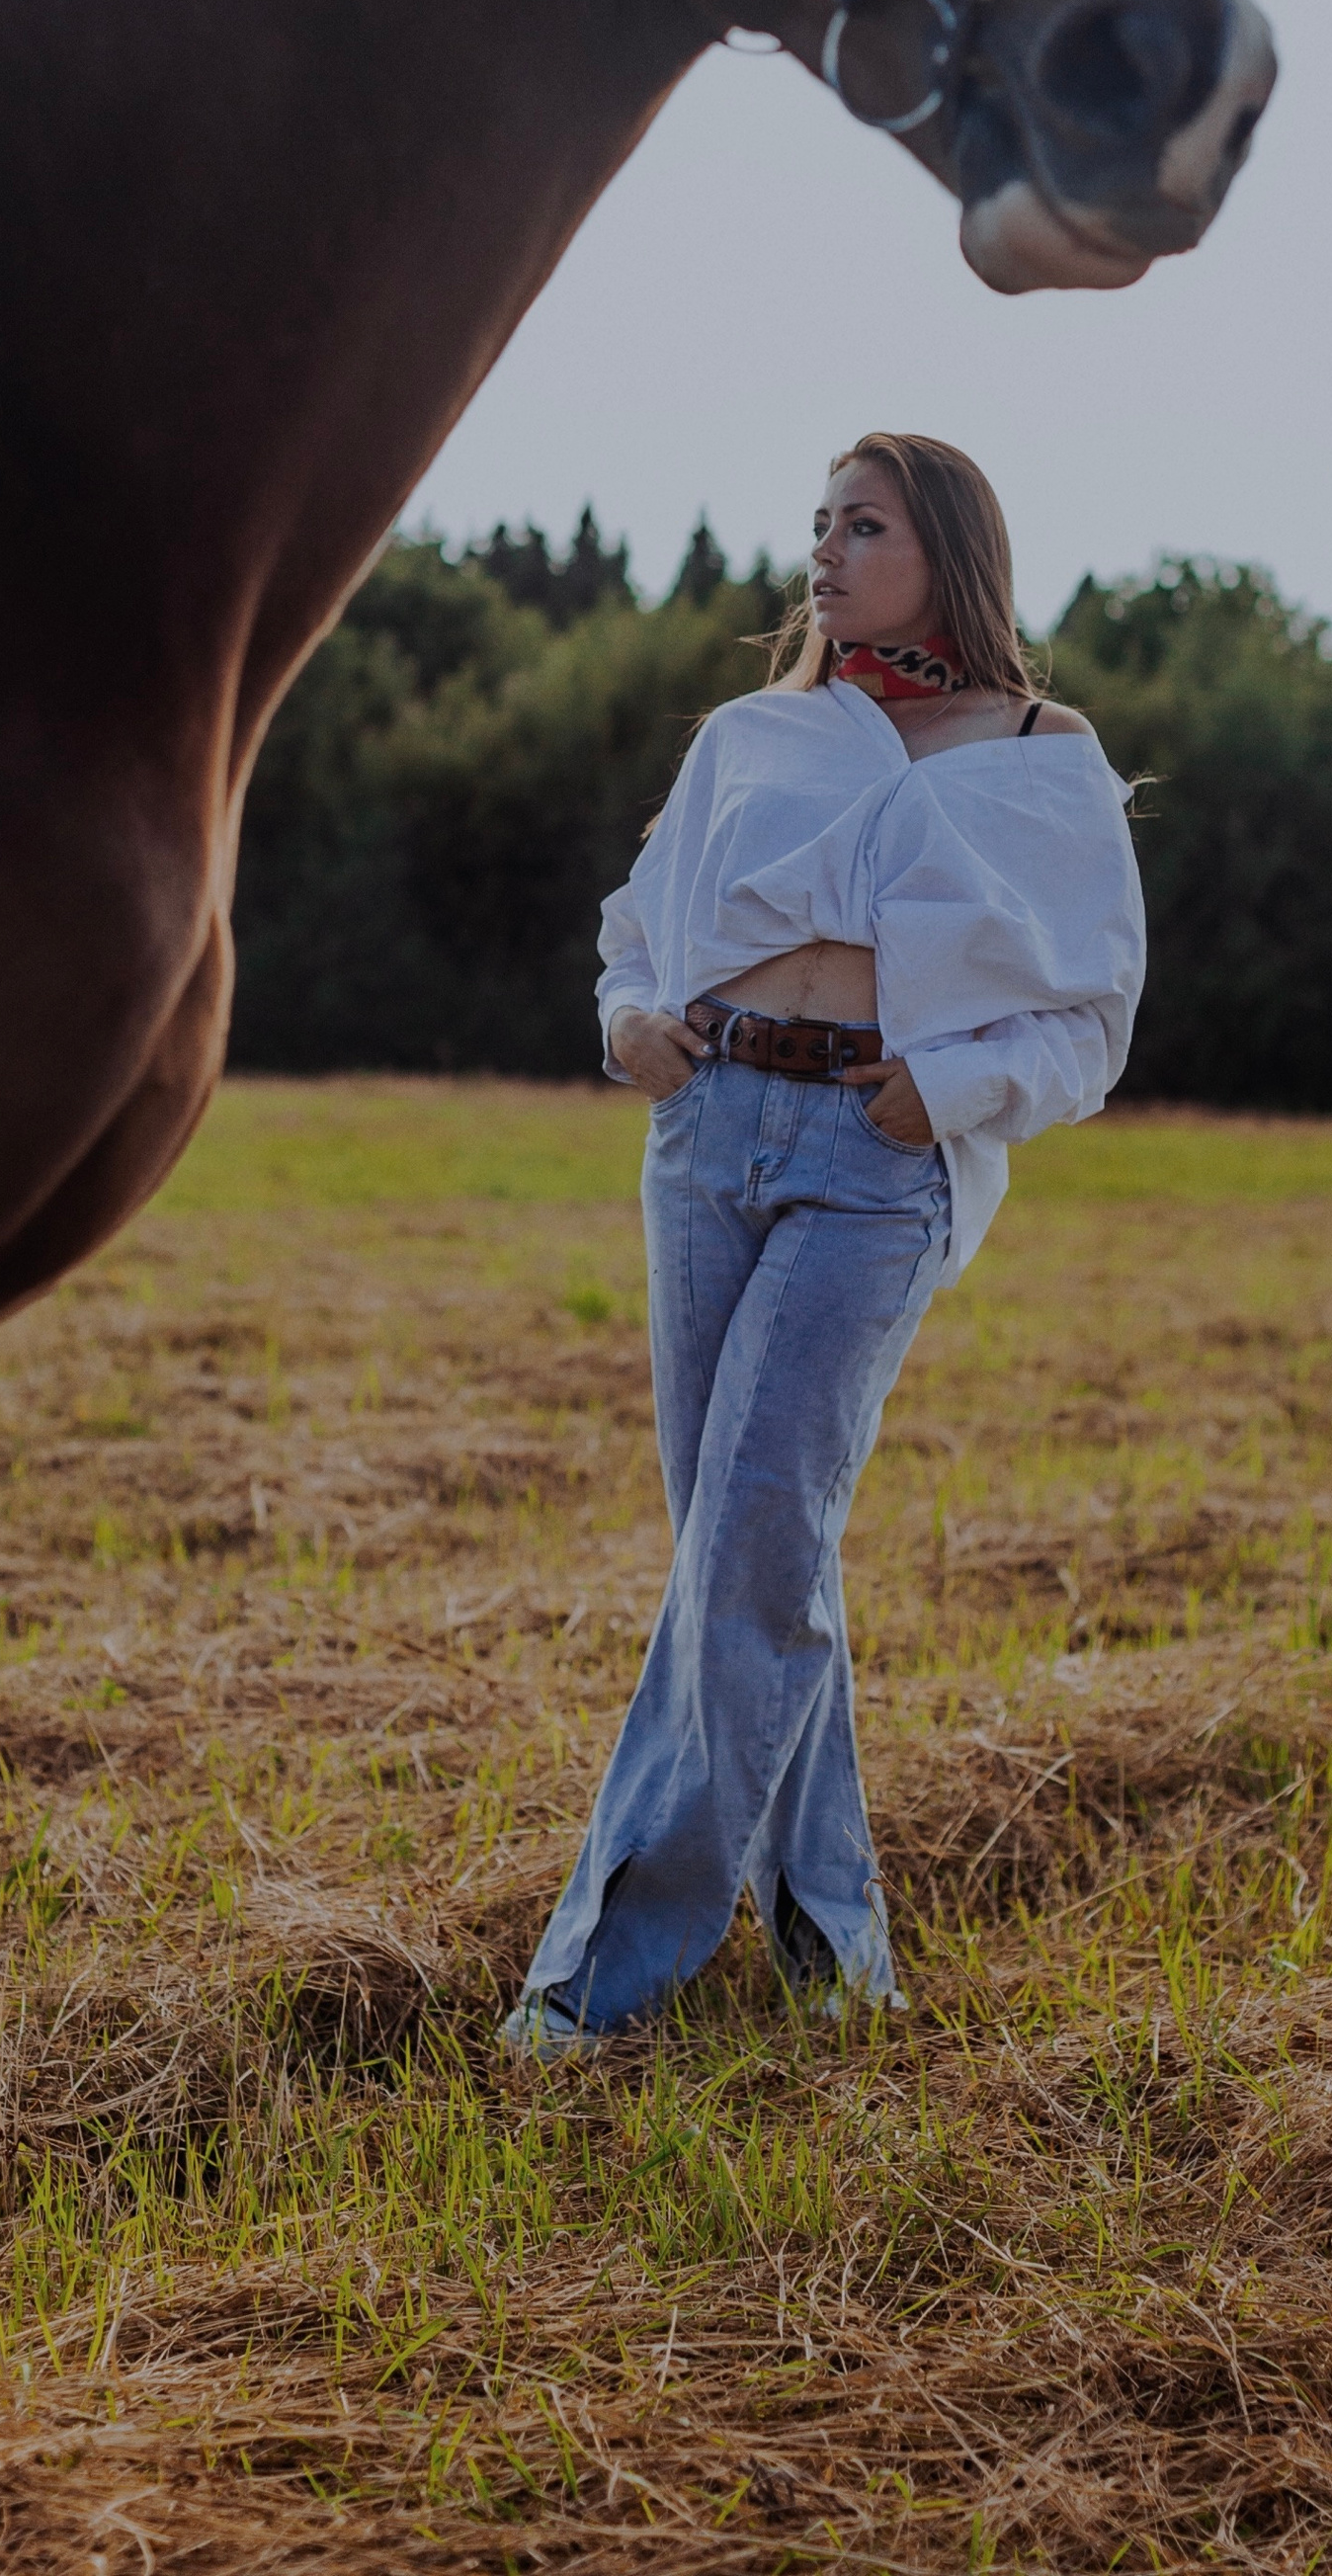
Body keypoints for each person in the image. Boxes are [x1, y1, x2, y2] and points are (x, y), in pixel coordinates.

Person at [499, 432, 1146, 2056]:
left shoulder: (1041, 754)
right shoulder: (754, 734)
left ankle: (595, 1987)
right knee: (748, 1555)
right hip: (706, 1130)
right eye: (820, 524)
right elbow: (638, 922)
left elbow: (1091, 1020)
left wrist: (951, 1090)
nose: (827, 550)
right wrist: (629, 1024)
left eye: (863, 524)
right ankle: (837, 1956)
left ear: (946, 549)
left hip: (875, 1159)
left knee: (752, 1554)